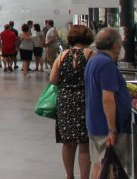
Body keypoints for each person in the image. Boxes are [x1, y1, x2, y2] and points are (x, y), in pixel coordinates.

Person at [50, 24, 95, 179]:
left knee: (68, 143)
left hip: (65, 100)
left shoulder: (62, 55)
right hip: (85, 100)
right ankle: (84, 177)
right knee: (84, 143)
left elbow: (53, 79)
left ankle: (69, 175)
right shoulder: (91, 55)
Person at [85, 27, 131, 176]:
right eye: (120, 44)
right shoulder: (107, 65)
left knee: (99, 164)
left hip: (95, 123)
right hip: (106, 127)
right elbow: (107, 98)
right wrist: (112, 129)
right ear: (115, 46)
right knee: (109, 167)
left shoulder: (93, 61)